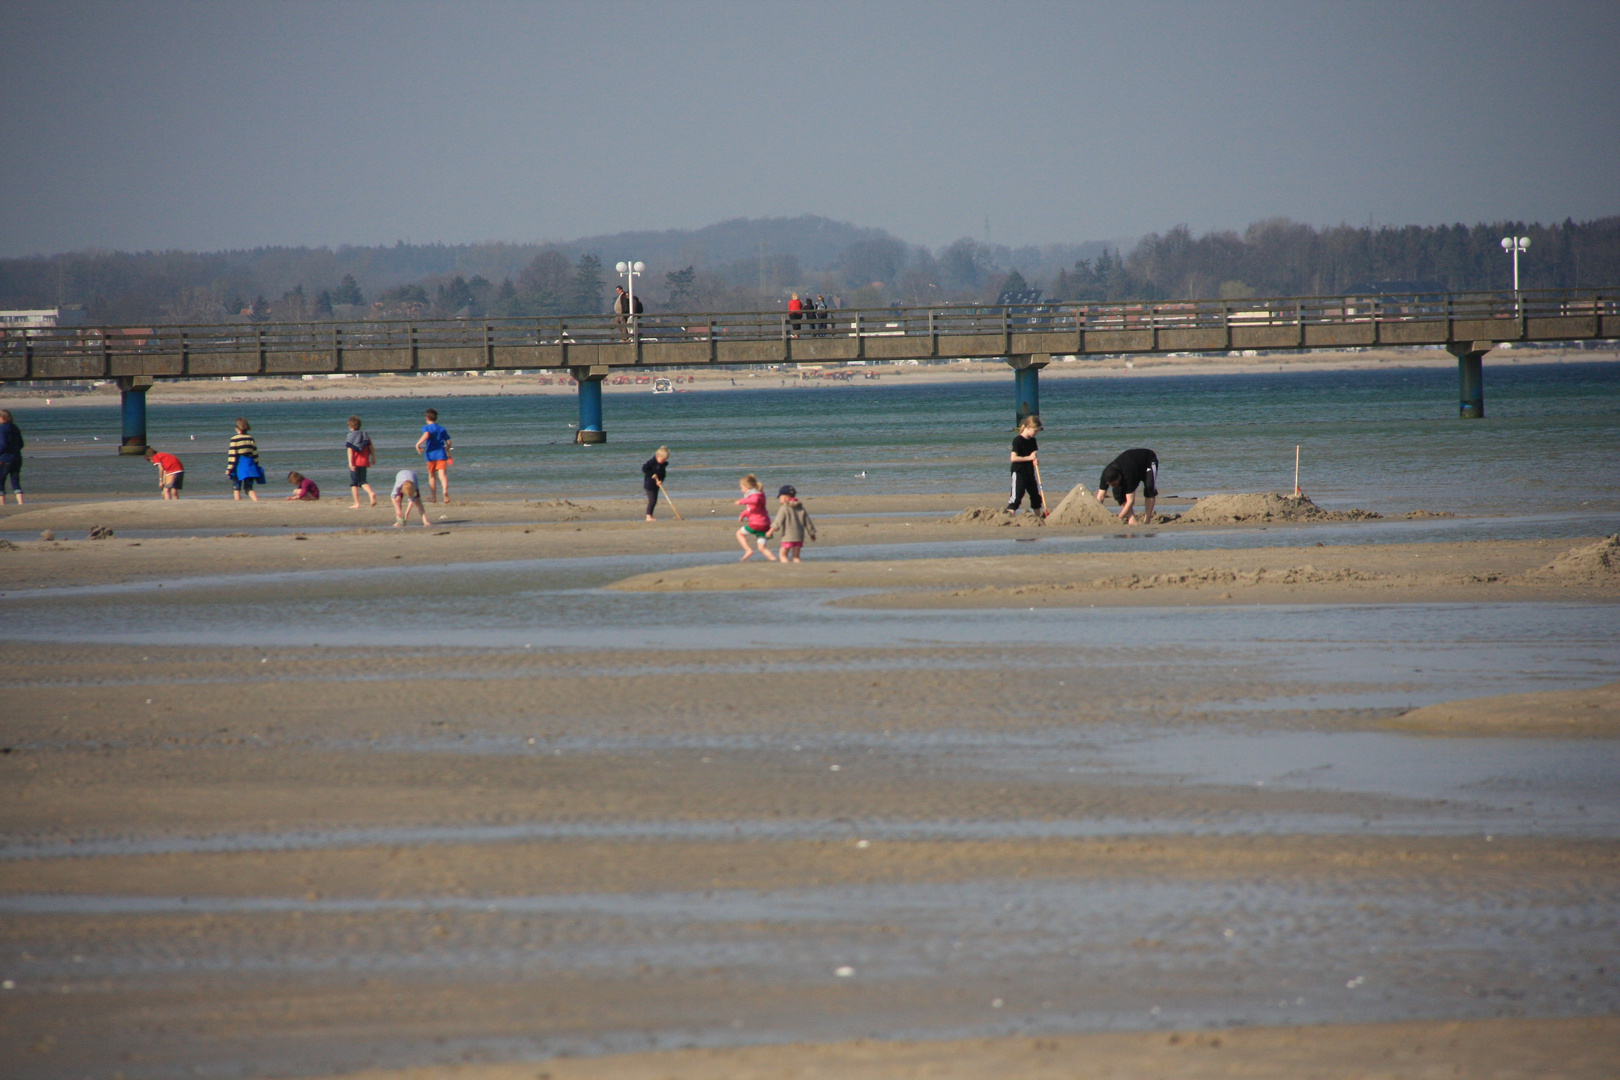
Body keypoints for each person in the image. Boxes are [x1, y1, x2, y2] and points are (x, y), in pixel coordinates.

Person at [1096, 448, 1159, 525]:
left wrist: (1118, 519)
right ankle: (1132, 519)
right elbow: (1100, 497)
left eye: (1114, 484)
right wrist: (1095, 514)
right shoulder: (1105, 475)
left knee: (1149, 488)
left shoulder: (1128, 476)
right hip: (1132, 465)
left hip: (1148, 461)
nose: (1112, 486)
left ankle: (1147, 520)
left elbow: (1131, 501)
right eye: (1110, 485)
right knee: (1118, 493)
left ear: (1119, 477)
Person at [767, 484, 816, 562]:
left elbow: (778, 521)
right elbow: (808, 522)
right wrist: (812, 533)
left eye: (780, 498)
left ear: (785, 498)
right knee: (796, 556)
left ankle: (787, 568)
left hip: (787, 537)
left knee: (783, 555)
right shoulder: (800, 508)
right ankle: (798, 568)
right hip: (799, 537)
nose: (780, 500)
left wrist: (770, 531)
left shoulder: (784, 508)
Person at [1005, 415, 1044, 514]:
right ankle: (1009, 516)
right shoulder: (1018, 440)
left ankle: (1038, 518)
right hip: (1019, 472)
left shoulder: (1032, 440)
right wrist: (1029, 458)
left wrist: (1035, 459)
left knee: (1035, 496)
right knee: (1017, 497)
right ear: (1028, 427)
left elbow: (1033, 454)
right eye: (1035, 430)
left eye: (1037, 431)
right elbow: (1013, 458)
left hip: (1030, 471)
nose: (1036, 433)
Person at [734, 473, 776, 561]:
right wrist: (742, 515)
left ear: (747, 487)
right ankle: (774, 560)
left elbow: (754, 501)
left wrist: (741, 501)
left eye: (741, 487)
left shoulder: (755, 495)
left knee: (739, 533)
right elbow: (751, 509)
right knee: (761, 547)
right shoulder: (759, 494)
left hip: (756, 524)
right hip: (765, 524)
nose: (741, 490)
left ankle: (748, 550)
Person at [414, 408, 452, 503]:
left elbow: (426, 435)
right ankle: (445, 491)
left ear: (427, 417)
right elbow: (449, 442)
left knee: (432, 476)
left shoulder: (426, 428)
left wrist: (418, 444)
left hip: (430, 455)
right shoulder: (442, 428)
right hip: (441, 454)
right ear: (436, 418)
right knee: (442, 475)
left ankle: (434, 497)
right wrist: (447, 447)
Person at [226, 417, 262, 501]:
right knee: (249, 488)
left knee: (236, 486)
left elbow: (232, 455)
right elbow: (255, 454)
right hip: (250, 464)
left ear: (237, 428)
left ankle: (238, 503)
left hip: (239, 464)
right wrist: (256, 465)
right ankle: (256, 501)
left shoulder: (234, 439)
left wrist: (229, 468)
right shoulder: (250, 438)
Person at [345, 415, 377, 509]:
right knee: (362, 481)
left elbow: (350, 450)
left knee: (354, 483)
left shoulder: (351, 435)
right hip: (364, 461)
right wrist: (373, 458)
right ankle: (371, 493)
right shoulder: (364, 435)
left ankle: (357, 503)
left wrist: (351, 463)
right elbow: (371, 448)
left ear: (350, 426)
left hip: (355, 462)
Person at [0, 409, 23, 505]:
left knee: (0, 480)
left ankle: (2, 503)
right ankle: (21, 502)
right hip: (17, 458)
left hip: (4, 459)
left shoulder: (1, 429)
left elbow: (3, 444)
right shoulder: (15, 428)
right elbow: (21, 444)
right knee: (15, 480)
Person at [641, 446, 670, 521]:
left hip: (656, 485)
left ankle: (650, 515)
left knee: (654, 500)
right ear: (657, 456)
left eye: (665, 460)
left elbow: (663, 474)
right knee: (652, 500)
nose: (663, 461)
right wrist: (652, 474)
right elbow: (644, 468)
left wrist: (660, 481)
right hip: (649, 484)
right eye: (662, 459)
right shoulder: (652, 462)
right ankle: (648, 516)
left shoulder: (663, 465)